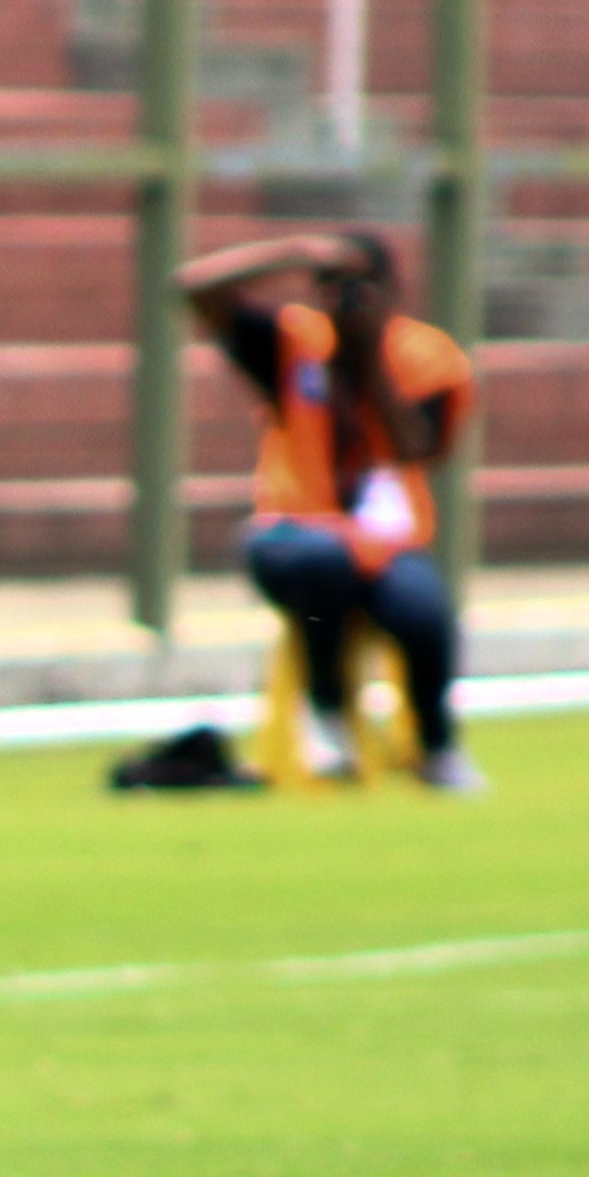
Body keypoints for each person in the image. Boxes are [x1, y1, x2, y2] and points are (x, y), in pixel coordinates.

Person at [185, 231, 483, 793]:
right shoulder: (294, 342)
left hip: (385, 543)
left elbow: (417, 450)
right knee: (323, 565)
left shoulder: (425, 356)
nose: (341, 299)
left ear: (391, 289)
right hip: (293, 530)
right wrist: (291, 251)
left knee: (423, 612)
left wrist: (367, 360)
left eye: (357, 285)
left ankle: (436, 745)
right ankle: (326, 717)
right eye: (331, 285)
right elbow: (195, 290)